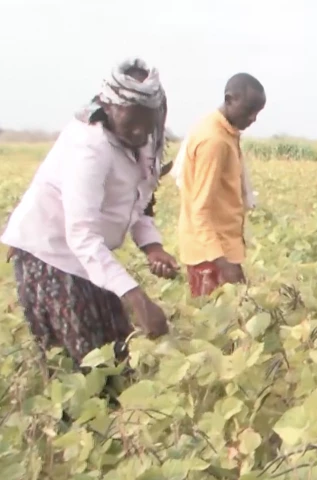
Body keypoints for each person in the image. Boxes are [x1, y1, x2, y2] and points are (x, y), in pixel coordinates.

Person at [1, 58, 178, 366]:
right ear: (108, 108)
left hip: (87, 260)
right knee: (87, 364)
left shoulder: (144, 141)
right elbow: (81, 235)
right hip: (51, 256)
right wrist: (138, 299)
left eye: (147, 121)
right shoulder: (90, 145)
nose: (139, 130)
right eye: (131, 120)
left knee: (117, 354)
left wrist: (153, 247)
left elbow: (139, 202)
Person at [175, 73, 267, 297]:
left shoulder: (224, 131)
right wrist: (223, 263)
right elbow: (200, 209)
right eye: (248, 111)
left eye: (257, 112)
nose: (253, 118)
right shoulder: (214, 140)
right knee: (216, 324)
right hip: (211, 255)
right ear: (229, 99)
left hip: (221, 249)